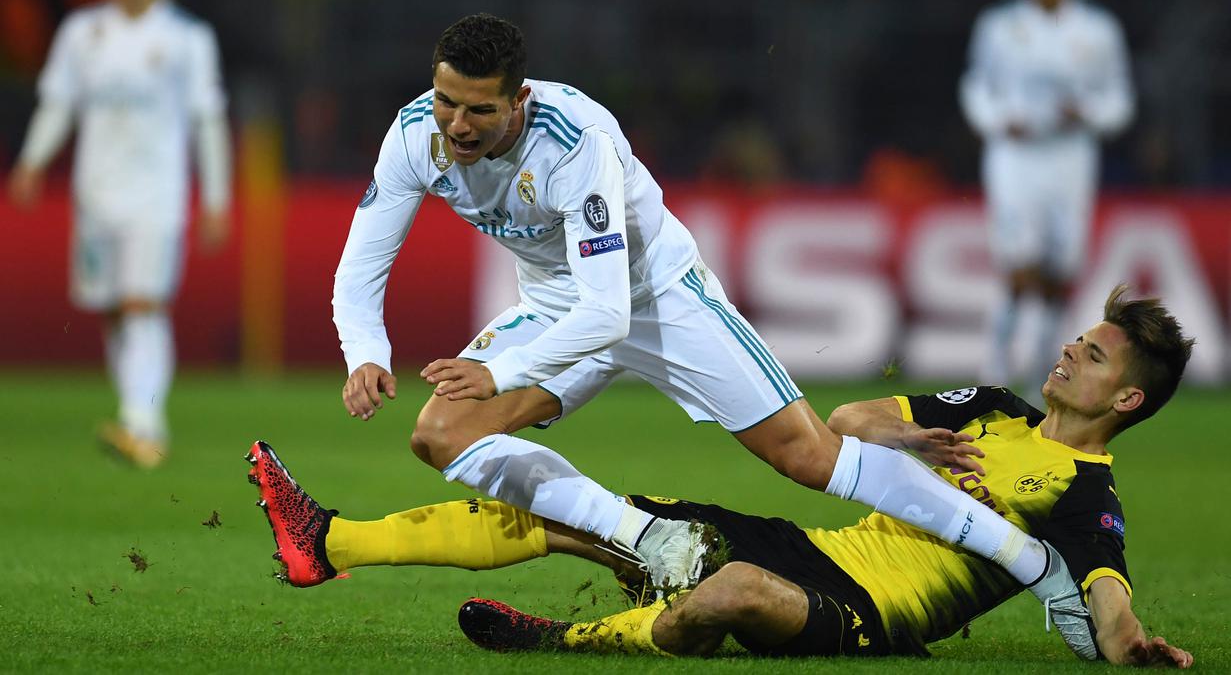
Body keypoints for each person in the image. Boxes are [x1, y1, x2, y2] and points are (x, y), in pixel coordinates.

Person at [330, 12, 1064, 605]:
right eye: (445, 101)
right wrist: (364, 352)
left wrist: (502, 372)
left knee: (806, 456)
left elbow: (609, 313)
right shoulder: (413, 135)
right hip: (558, 306)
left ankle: (1032, 563)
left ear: (518, 100)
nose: (456, 126)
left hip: (655, 297)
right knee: (440, 434)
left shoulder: (573, 141)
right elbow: (363, 262)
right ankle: (652, 541)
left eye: (478, 110)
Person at [246, 283, 1194, 666]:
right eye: (1079, 339)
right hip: (814, 546)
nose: (1070, 355)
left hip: (868, 615)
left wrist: (1133, 643)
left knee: (733, 589)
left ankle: (570, 641)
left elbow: (1103, 594)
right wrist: (921, 447)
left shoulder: (1085, 498)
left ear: (1126, 404)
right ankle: (331, 543)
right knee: (605, 519)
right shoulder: (989, 408)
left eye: (1095, 358)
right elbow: (849, 426)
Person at [7, 0, 231, 467]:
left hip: (158, 196)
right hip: (96, 197)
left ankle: (143, 424)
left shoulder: (187, 38)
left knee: (141, 305)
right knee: (113, 310)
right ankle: (137, 416)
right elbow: (58, 105)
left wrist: (216, 197)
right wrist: (32, 161)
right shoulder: (80, 33)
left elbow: (207, 119)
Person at [960, 0, 1134, 399]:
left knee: (1060, 272)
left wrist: (1089, 114)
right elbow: (977, 87)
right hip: (1015, 156)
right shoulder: (1000, 26)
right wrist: (999, 120)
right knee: (1020, 267)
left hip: (1071, 156)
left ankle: (1043, 372)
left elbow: (1118, 99)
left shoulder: (1098, 29)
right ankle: (996, 370)